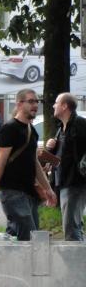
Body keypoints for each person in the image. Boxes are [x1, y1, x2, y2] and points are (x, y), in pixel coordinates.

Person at [0, 89, 55, 241]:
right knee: (30, 238)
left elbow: (34, 163)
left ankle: (3, 260)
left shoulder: (32, 131)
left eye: (37, 101)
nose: (35, 105)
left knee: (26, 235)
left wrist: (48, 189)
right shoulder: (9, 129)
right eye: (31, 101)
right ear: (19, 103)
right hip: (11, 192)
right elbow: (0, 162)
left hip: (29, 192)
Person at [46, 92, 86, 241]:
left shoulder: (80, 124)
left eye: (56, 103)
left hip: (76, 182)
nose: (53, 105)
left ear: (64, 106)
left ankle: (76, 261)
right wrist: (52, 148)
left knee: (71, 228)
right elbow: (63, 155)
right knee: (73, 226)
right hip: (63, 182)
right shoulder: (60, 128)